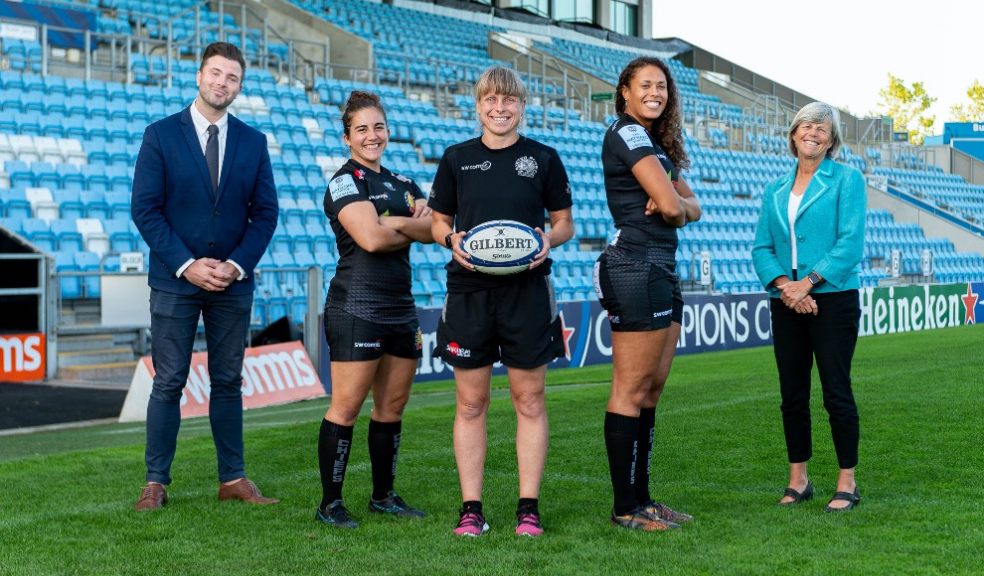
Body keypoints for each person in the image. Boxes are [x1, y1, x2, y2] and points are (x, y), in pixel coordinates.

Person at [130, 42, 279, 510]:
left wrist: (235, 265)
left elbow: (266, 213)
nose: (222, 83)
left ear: (239, 85)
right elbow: (145, 210)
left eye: (232, 77)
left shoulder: (253, 142)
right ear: (199, 76)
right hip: (175, 280)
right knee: (169, 380)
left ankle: (232, 478)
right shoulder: (160, 135)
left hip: (232, 282)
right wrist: (187, 265)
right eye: (215, 73)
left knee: (229, 380)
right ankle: (156, 482)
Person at [428, 66, 574, 537]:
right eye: (491, 100)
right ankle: (471, 508)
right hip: (469, 293)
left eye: (509, 101)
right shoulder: (456, 159)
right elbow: (436, 223)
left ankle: (527, 507)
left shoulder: (544, 159)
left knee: (529, 399)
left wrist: (549, 239)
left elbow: (566, 222)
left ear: (521, 106)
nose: (500, 108)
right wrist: (451, 238)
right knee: (471, 403)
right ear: (477, 105)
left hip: (527, 293)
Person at [315, 91, 434, 529]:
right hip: (356, 307)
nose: (372, 136)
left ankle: (383, 496)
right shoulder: (344, 181)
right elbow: (370, 239)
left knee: (392, 408)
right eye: (362, 129)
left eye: (378, 127)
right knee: (345, 407)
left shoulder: (404, 183)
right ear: (347, 136)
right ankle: (330, 503)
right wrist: (410, 226)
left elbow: (439, 229)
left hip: (401, 308)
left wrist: (397, 222)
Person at [593, 56, 702, 531]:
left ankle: (644, 499)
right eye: (646, 85)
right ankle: (624, 508)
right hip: (635, 264)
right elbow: (677, 211)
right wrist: (676, 207)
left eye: (662, 86)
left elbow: (689, 205)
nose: (655, 92)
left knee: (652, 389)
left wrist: (677, 205)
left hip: (663, 265)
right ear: (625, 92)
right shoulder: (627, 132)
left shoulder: (657, 143)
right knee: (631, 388)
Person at [751, 101, 866, 512]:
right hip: (786, 302)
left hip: (833, 299)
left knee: (836, 392)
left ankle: (847, 482)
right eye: (806, 126)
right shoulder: (774, 190)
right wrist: (788, 287)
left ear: (831, 139)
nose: (813, 132)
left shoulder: (847, 180)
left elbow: (850, 244)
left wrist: (808, 284)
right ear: (794, 134)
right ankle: (798, 479)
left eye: (822, 128)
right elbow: (762, 247)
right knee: (792, 395)